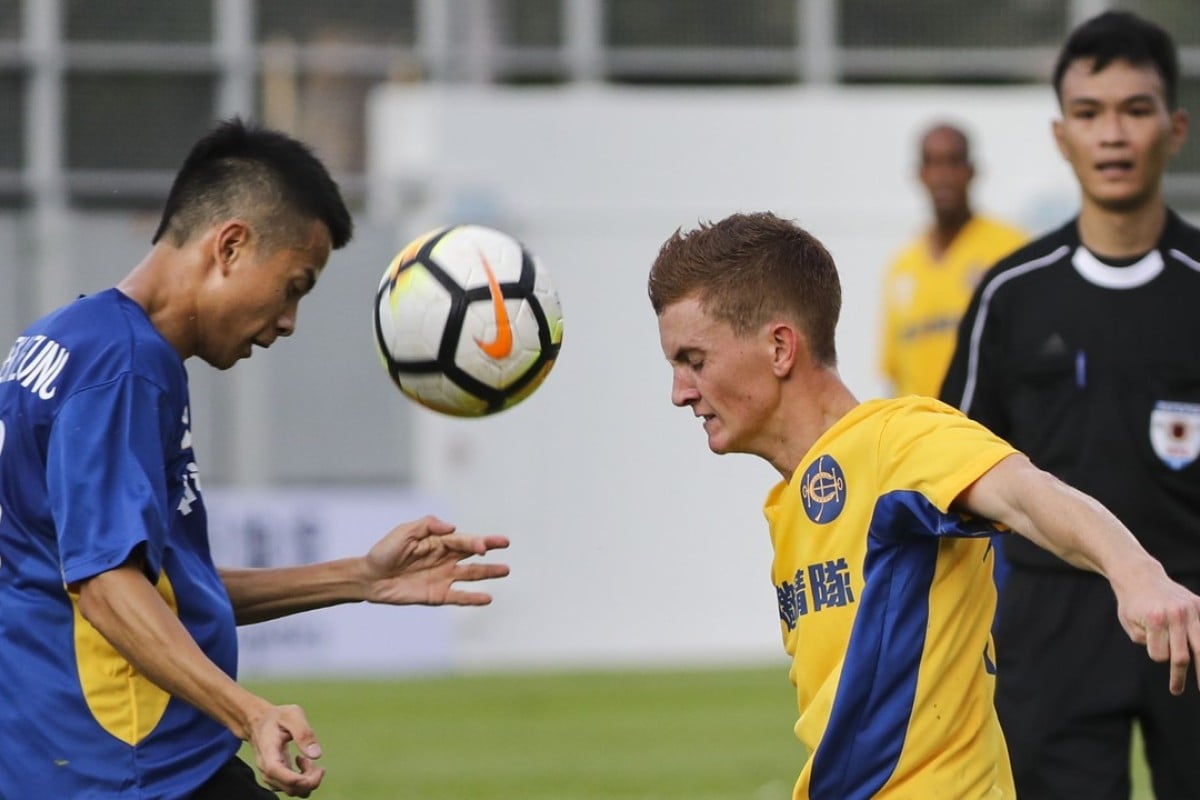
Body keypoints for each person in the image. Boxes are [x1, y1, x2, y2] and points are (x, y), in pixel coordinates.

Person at [0, 118, 510, 799]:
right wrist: (250, 712)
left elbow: (155, 585)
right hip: (130, 768)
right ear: (232, 245)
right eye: (295, 284)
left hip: (69, 759)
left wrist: (358, 576)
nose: (290, 319)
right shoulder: (126, 370)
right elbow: (107, 588)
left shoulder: (62, 339)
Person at [648, 210, 1200, 799]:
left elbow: (1026, 492)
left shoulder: (896, 440)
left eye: (693, 360)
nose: (680, 392)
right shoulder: (794, 501)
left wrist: (1136, 572)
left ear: (781, 347)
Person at [940, 11, 1200, 799]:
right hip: (1050, 621)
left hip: (1194, 606)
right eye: (1090, 113)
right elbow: (956, 464)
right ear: (1062, 135)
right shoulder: (1012, 295)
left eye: (1135, 109)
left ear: (1174, 127)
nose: (1112, 134)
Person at [879, 122, 1025, 399]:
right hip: (920, 434)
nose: (943, 176)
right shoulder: (902, 266)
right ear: (920, 174)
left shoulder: (1010, 249)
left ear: (971, 171)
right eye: (933, 164)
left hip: (983, 433)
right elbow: (895, 373)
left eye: (953, 162)